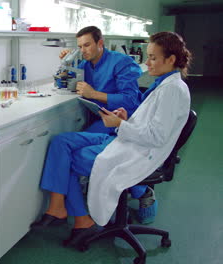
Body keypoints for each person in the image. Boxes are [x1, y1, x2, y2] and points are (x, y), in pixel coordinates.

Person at [32, 31, 192, 245]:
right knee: (61, 143)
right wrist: (127, 120)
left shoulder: (170, 90)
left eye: (153, 57)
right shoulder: (165, 84)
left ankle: (82, 220)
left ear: (171, 59)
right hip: (126, 132)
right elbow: (151, 120)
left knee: (67, 159)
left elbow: (156, 136)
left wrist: (119, 123)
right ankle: (58, 208)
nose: (147, 62)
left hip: (138, 149)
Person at [33, 26, 150, 227]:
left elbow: (131, 101)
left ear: (100, 43)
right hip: (100, 121)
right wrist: (67, 63)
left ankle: (142, 190)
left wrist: (94, 94)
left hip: (122, 123)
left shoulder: (122, 62)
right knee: (62, 149)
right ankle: (71, 213)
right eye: (80, 46)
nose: (84, 50)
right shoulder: (84, 62)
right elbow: (64, 82)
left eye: (87, 45)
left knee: (66, 155)